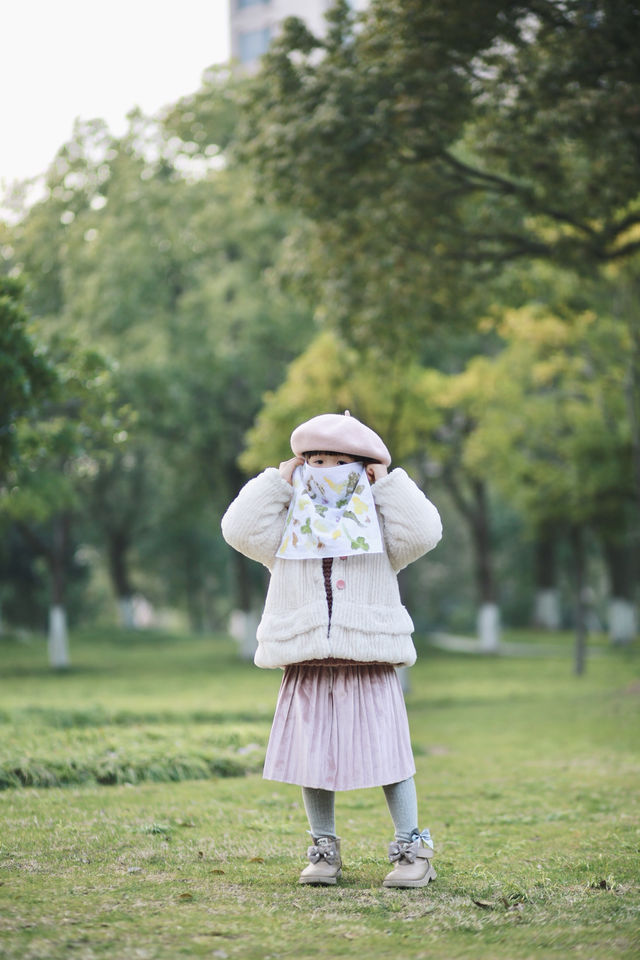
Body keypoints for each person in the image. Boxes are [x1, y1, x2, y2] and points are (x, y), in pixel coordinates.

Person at [221, 411, 442, 887]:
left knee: (390, 752)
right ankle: (324, 850)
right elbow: (238, 530)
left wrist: (387, 486)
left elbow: (424, 533)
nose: (324, 470)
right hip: (307, 656)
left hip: (369, 655)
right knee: (311, 753)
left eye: (337, 461)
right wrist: (277, 482)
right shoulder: (287, 526)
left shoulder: (381, 527)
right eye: (314, 460)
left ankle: (412, 850)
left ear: (361, 467)